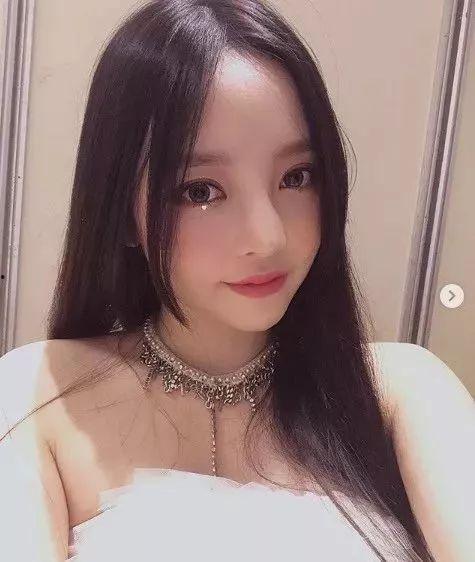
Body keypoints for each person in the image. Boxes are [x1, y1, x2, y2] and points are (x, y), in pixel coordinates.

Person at [1, 1, 474, 561]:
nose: (267, 237)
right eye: (201, 191)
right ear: (122, 211)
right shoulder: (39, 395)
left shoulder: (399, 391)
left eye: (296, 177)